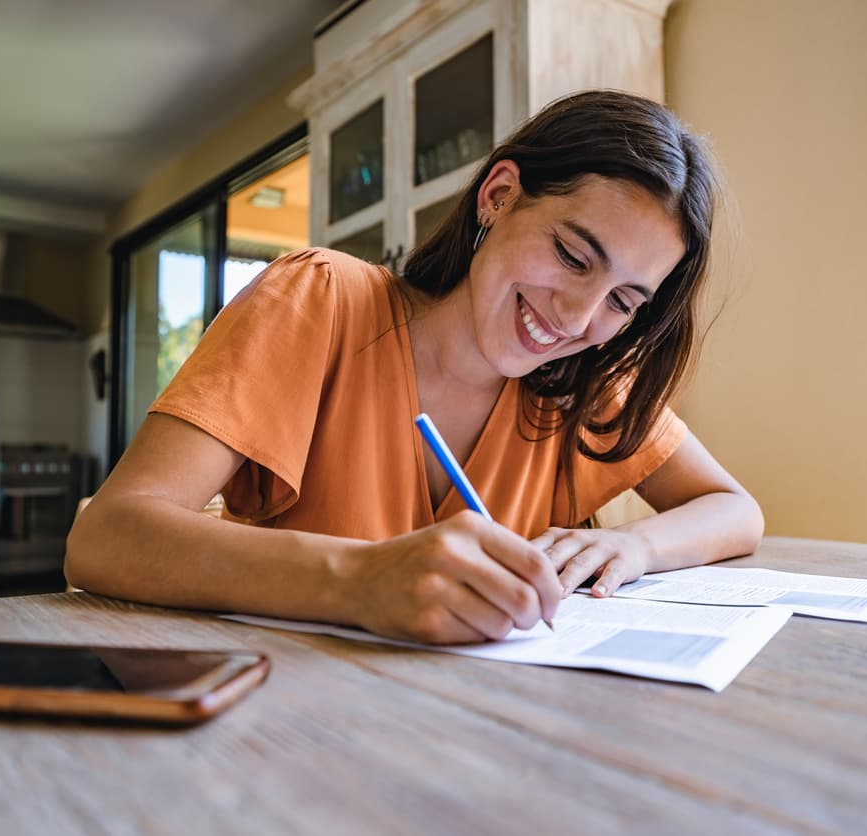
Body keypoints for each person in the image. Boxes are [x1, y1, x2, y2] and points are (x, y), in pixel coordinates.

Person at [65, 90, 763, 645]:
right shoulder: (323, 299)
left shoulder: (581, 387)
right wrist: (357, 580)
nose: (578, 319)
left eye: (623, 300)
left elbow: (736, 510)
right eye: (574, 257)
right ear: (498, 195)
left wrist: (634, 546)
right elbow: (106, 539)